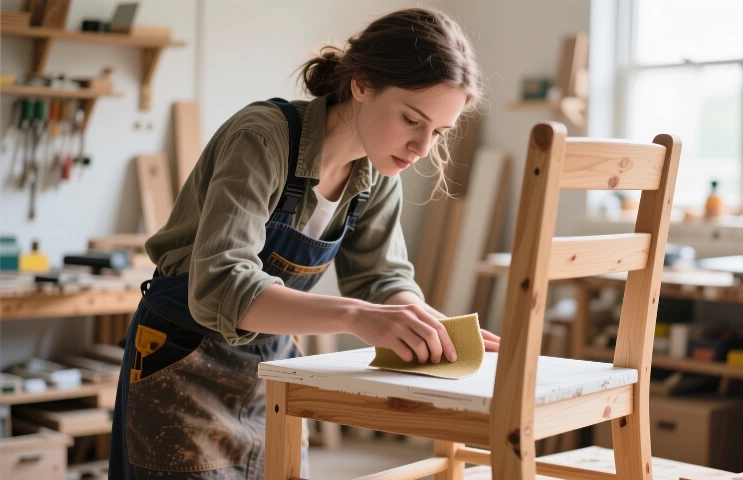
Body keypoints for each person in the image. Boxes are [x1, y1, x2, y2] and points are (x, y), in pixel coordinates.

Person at [108, 6, 501, 479]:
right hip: (180, 362)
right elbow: (220, 283)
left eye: (438, 132)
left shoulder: (377, 171)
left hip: (271, 373)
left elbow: (381, 275)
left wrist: (422, 323)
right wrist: (358, 317)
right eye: (412, 120)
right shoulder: (263, 139)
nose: (421, 149)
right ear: (361, 84)